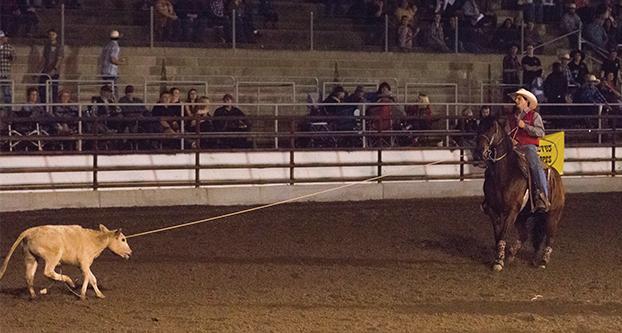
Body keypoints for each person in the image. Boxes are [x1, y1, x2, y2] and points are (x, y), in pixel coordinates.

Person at [507, 88, 549, 212]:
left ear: (526, 101)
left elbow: (541, 132)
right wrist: (510, 140)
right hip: (514, 147)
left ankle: (542, 194)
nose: (516, 100)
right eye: (516, 98)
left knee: (535, 164)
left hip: (528, 147)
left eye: (519, 98)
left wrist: (525, 126)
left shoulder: (534, 116)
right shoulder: (511, 118)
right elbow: (506, 134)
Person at [39, 29, 63, 104]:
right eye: (50, 34)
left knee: (54, 91)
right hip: (46, 71)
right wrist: (39, 70)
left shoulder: (59, 46)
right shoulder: (47, 46)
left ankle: (54, 108)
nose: (51, 36)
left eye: (53, 34)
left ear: (56, 35)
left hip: (54, 72)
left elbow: (59, 59)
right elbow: (44, 59)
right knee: (42, 89)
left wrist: (54, 69)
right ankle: (44, 107)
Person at [0, 30, 16, 113]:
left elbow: (14, 58)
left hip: (5, 73)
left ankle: (8, 111)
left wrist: (11, 57)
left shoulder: (9, 48)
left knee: (6, 92)